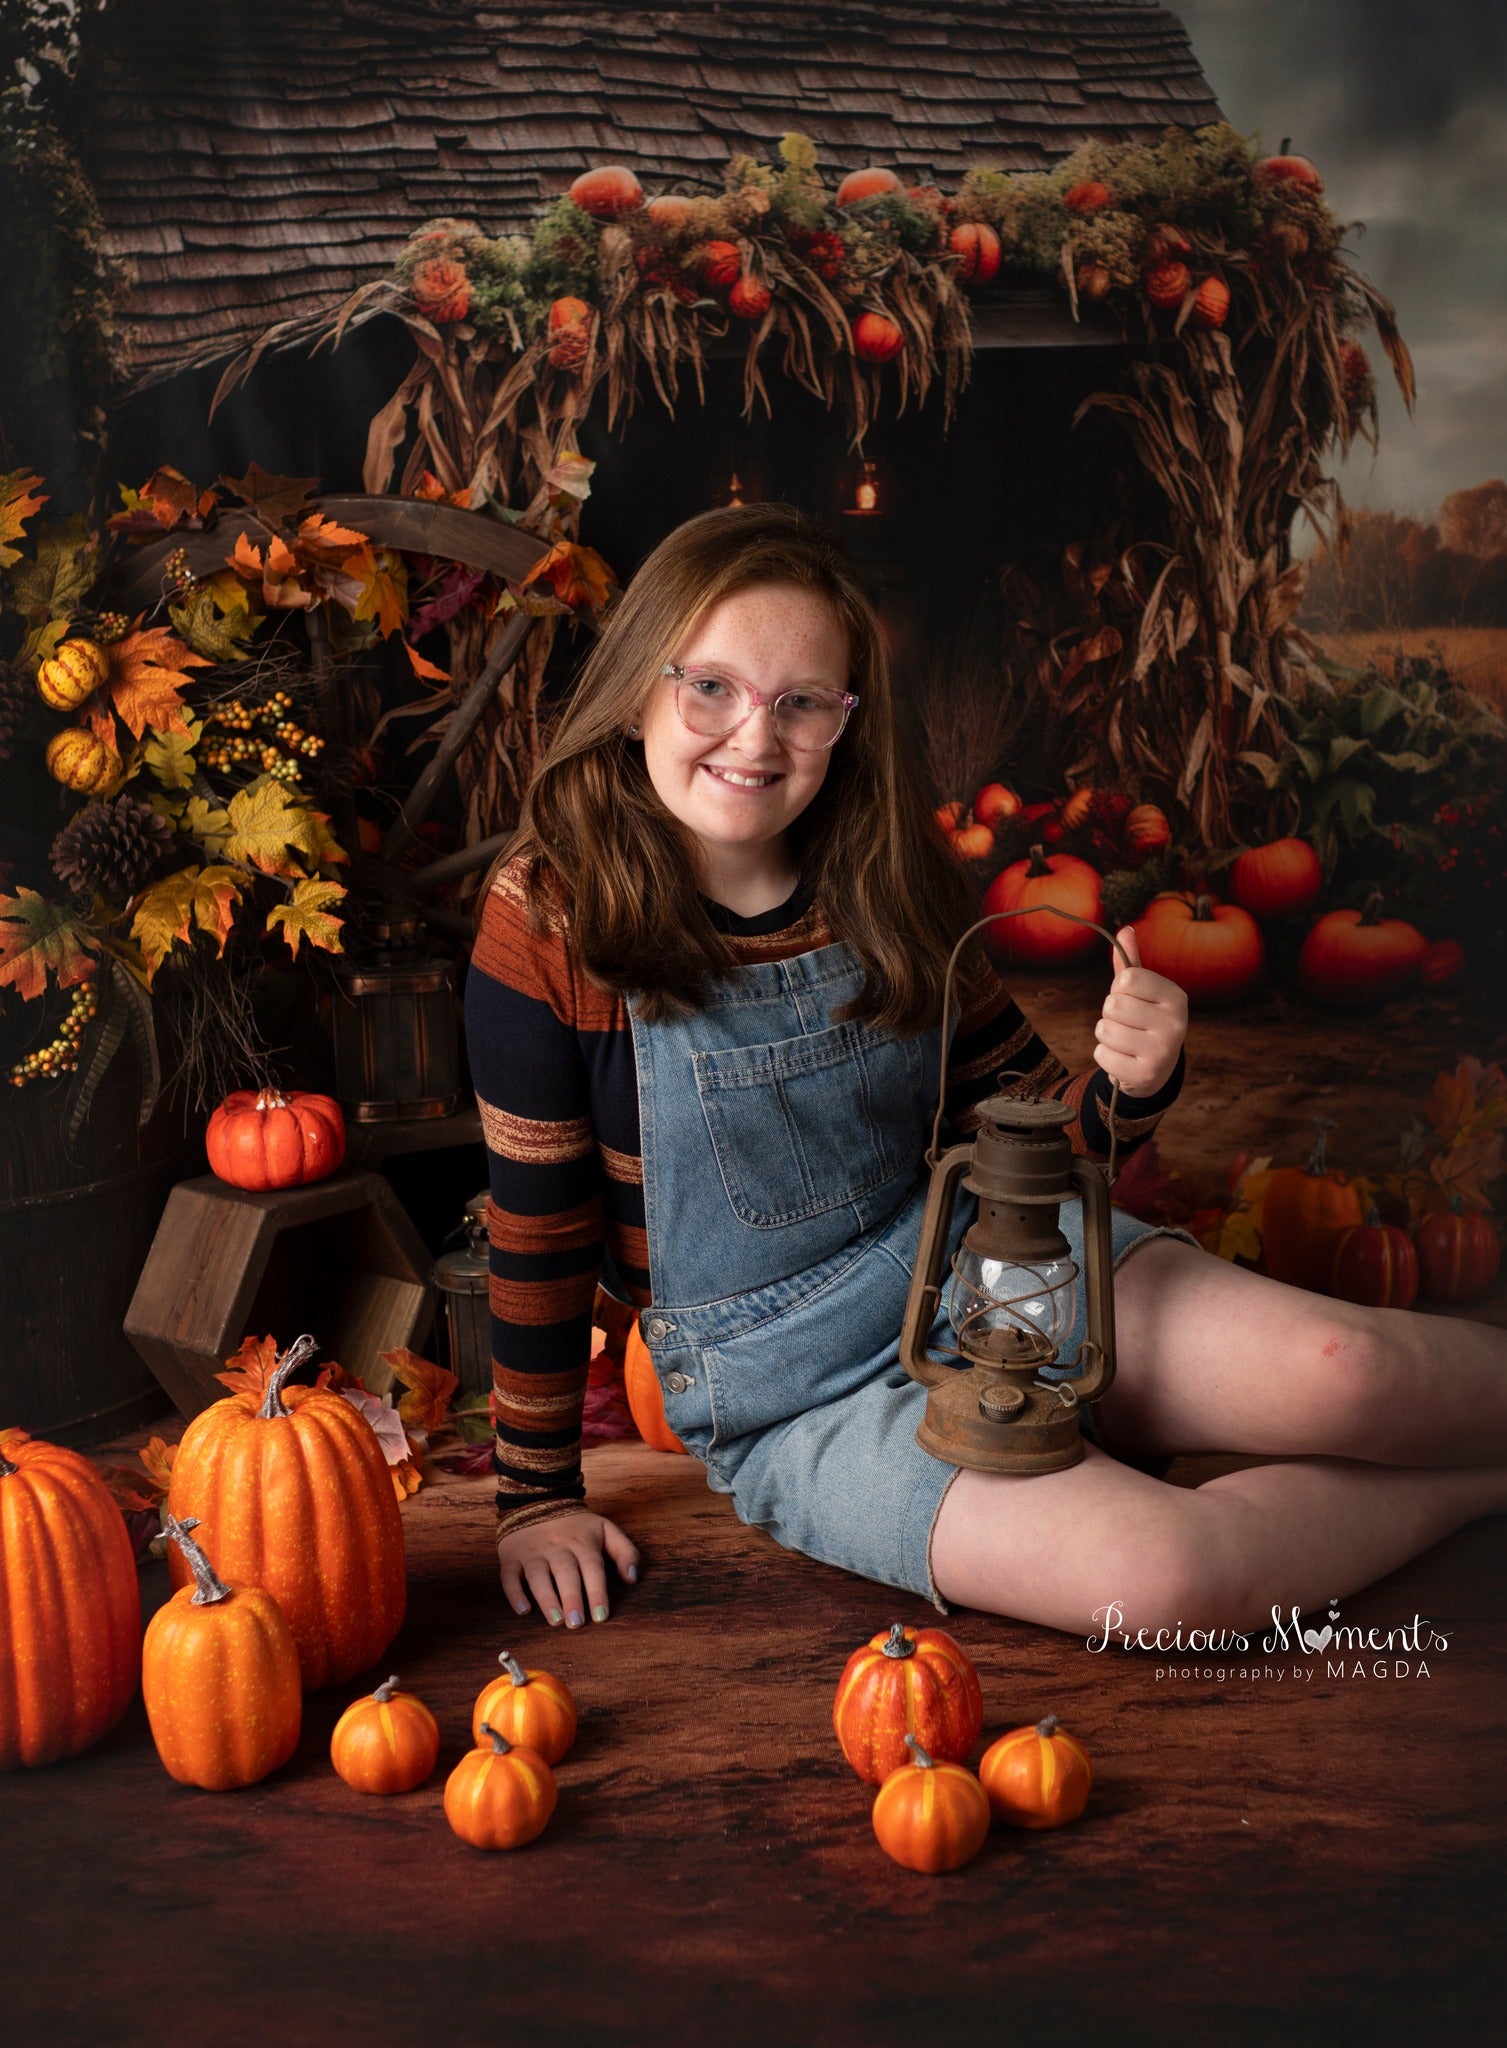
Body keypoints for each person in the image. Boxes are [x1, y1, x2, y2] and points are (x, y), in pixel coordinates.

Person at [465, 503, 1507, 1643]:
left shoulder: (887, 875)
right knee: (1170, 1578)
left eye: (802, 701)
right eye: (708, 685)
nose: (755, 737)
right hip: (803, 1397)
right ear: (635, 684)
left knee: (1347, 1367)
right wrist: (535, 1497)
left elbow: (1034, 1150)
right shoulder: (550, 916)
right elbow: (538, 1228)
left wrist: (1127, 1088)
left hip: (1000, 1269)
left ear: (845, 721)